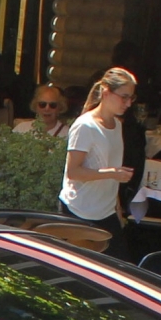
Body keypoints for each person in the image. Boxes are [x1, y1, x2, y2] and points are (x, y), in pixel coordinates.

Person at [59, 67, 136, 236]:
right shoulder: (85, 126)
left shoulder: (117, 125)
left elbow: (112, 167)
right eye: (124, 97)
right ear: (106, 92)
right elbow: (73, 172)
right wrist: (111, 173)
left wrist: (117, 207)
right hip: (79, 212)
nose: (128, 103)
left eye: (131, 98)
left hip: (106, 213)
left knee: (117, 262)